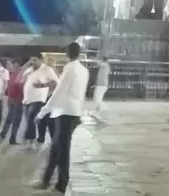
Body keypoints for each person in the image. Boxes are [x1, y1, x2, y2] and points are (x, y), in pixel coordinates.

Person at [33, 42, 90, 194]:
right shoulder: (84, 71)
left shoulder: (69, 69)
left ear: (67, 53)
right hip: (73, 112)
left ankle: (61, 184)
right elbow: (81, 93)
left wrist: (42, 112)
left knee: (62, 150)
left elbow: (58, 92)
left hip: (65, 113)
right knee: (56, 149)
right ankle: (46, 180)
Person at [31, 56, 60, 146]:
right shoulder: (49, 72)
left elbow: (55, 84)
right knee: (46, 119)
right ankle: (44, 138)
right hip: (46, 98)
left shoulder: (51, 72)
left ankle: (44, 138)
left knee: (47, 119)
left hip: (49, 98)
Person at [0, 59, 25, 144]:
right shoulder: (20, 73)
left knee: (9, 117)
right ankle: (12, 138)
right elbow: (17, 85)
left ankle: (3, 133)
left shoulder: (13, 73)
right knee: (16, 120)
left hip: (12, 99)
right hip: (18, 100)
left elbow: (10, 87)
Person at [91, 55, 111, 120]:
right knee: (97, 99)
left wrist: (94, 58)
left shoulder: (105, 65)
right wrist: (95, 84)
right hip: (100, 84)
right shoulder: (104, 66)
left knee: (98, 99)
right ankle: (97, 112)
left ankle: (104, 109)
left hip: (102, 85)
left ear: (103, 60)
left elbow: (99, 63)